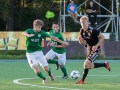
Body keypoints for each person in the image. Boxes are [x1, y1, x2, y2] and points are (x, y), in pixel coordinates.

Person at [23, 19, 69, 84]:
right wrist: (28, 35)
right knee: (36, 69)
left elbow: (53, 38)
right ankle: (43, 78)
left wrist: (62, 42)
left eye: (40, 27)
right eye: (38, 27)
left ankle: (50, 74)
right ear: (34, 26)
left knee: (46, 68)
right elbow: (24, 33)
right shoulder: (29, 31)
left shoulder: (42, 32)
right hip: (30, 54)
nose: (40, 28)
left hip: (39, 53)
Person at [76, 16, 111, 84]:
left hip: (95, 50)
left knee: (86, 64)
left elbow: (102, 38)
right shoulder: (82, 30)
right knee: (89, 66)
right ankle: (105, 64)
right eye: (82, 23)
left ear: (88, 22)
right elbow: (81, 42)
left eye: (84, 23)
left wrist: (96, 46)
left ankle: (82, 80)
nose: (83, 24)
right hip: (89, 49)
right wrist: (79, 39)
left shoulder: (93, 30)